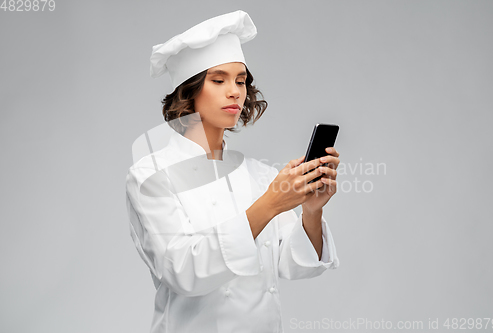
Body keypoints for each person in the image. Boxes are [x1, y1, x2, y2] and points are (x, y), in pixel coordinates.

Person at [125, 10, 340, 333]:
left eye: (241, 81)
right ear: (189, 91)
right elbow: (183, 270)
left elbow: (292, 264)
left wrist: (310, 211)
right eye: (218, 80)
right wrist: (270, 204)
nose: (235, 92)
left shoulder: (259, 175)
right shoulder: (151, 176)